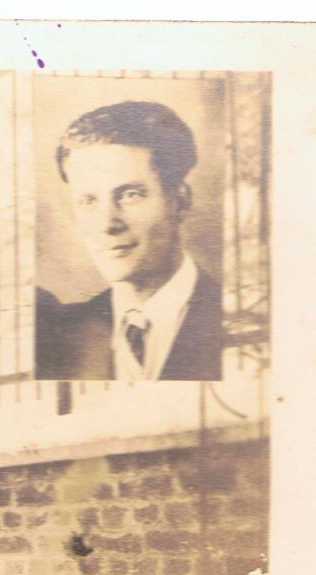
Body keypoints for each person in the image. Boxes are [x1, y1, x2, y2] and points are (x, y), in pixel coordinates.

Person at [34, 101, 222, 381]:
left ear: (180, 201)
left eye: (130, 195)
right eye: (88, 201)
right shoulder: (58, 337)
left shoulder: (234, 322)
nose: (107, 224)